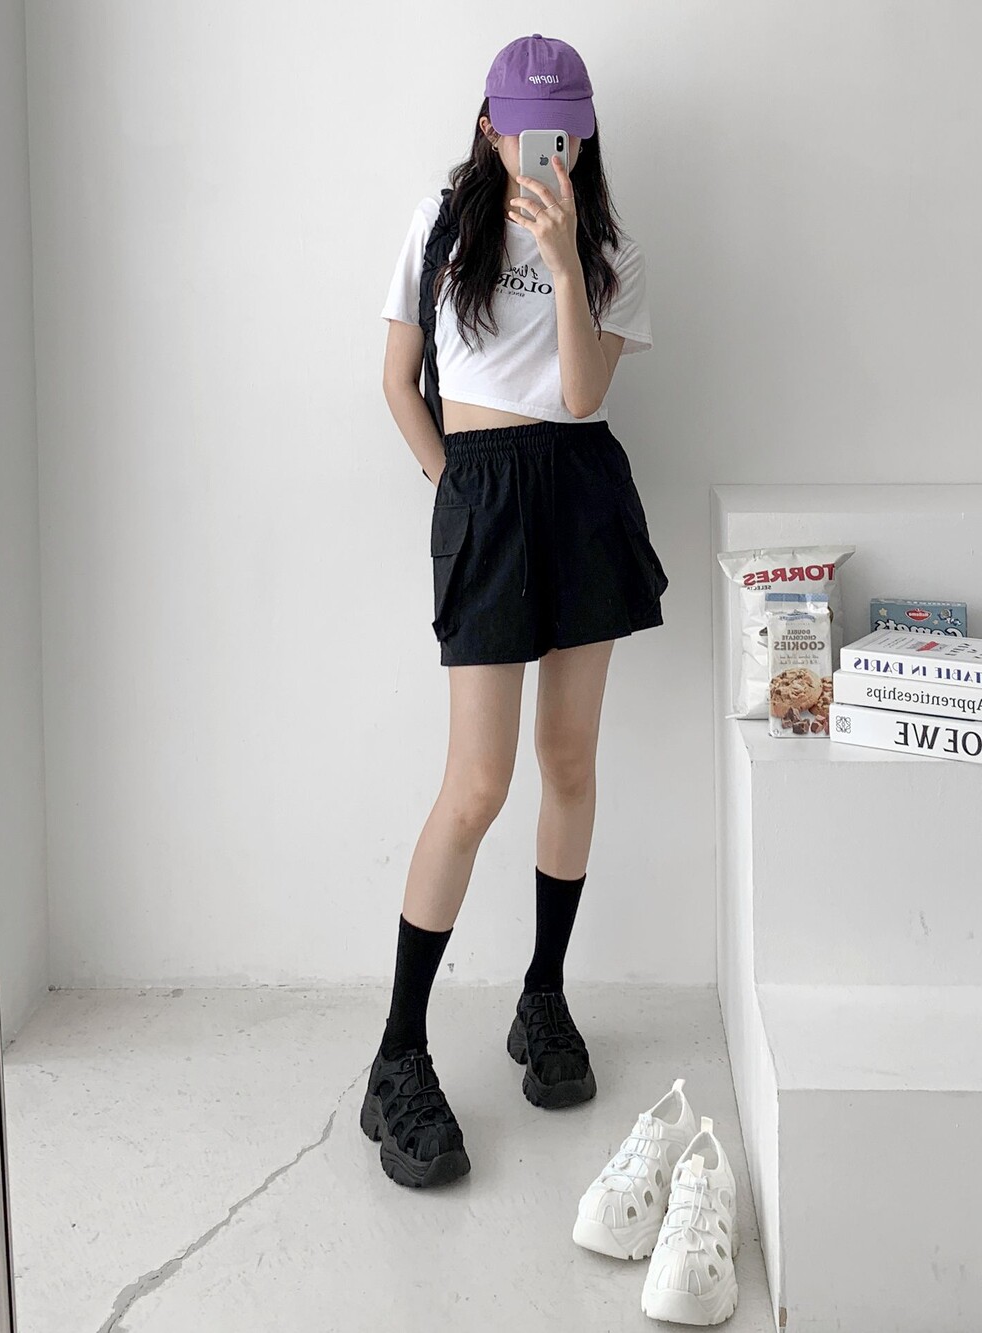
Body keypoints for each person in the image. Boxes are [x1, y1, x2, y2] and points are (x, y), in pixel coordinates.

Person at [361, 33, 669, 1189]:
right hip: (485, 494)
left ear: (583, 134)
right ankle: (397, 1054)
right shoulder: (440, 227)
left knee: (570, 760)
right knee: (477, 784)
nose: (546, 147)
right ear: (489, 126)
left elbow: (582, 392)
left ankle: (542, 995)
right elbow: (396, 381)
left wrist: (564, 260)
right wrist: (458, 486)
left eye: (565, 131)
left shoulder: (611, 248)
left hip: (581, 488)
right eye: (527, 128)